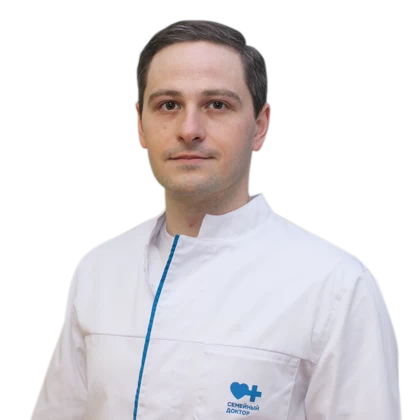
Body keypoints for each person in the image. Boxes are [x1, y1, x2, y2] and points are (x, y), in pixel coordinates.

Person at [31, 18, 403, 420]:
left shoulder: (337, 289)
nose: (189, 130)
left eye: (217, 105)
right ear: (140, 125)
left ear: (259, 127)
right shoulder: (99, 273)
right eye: (168, 105)